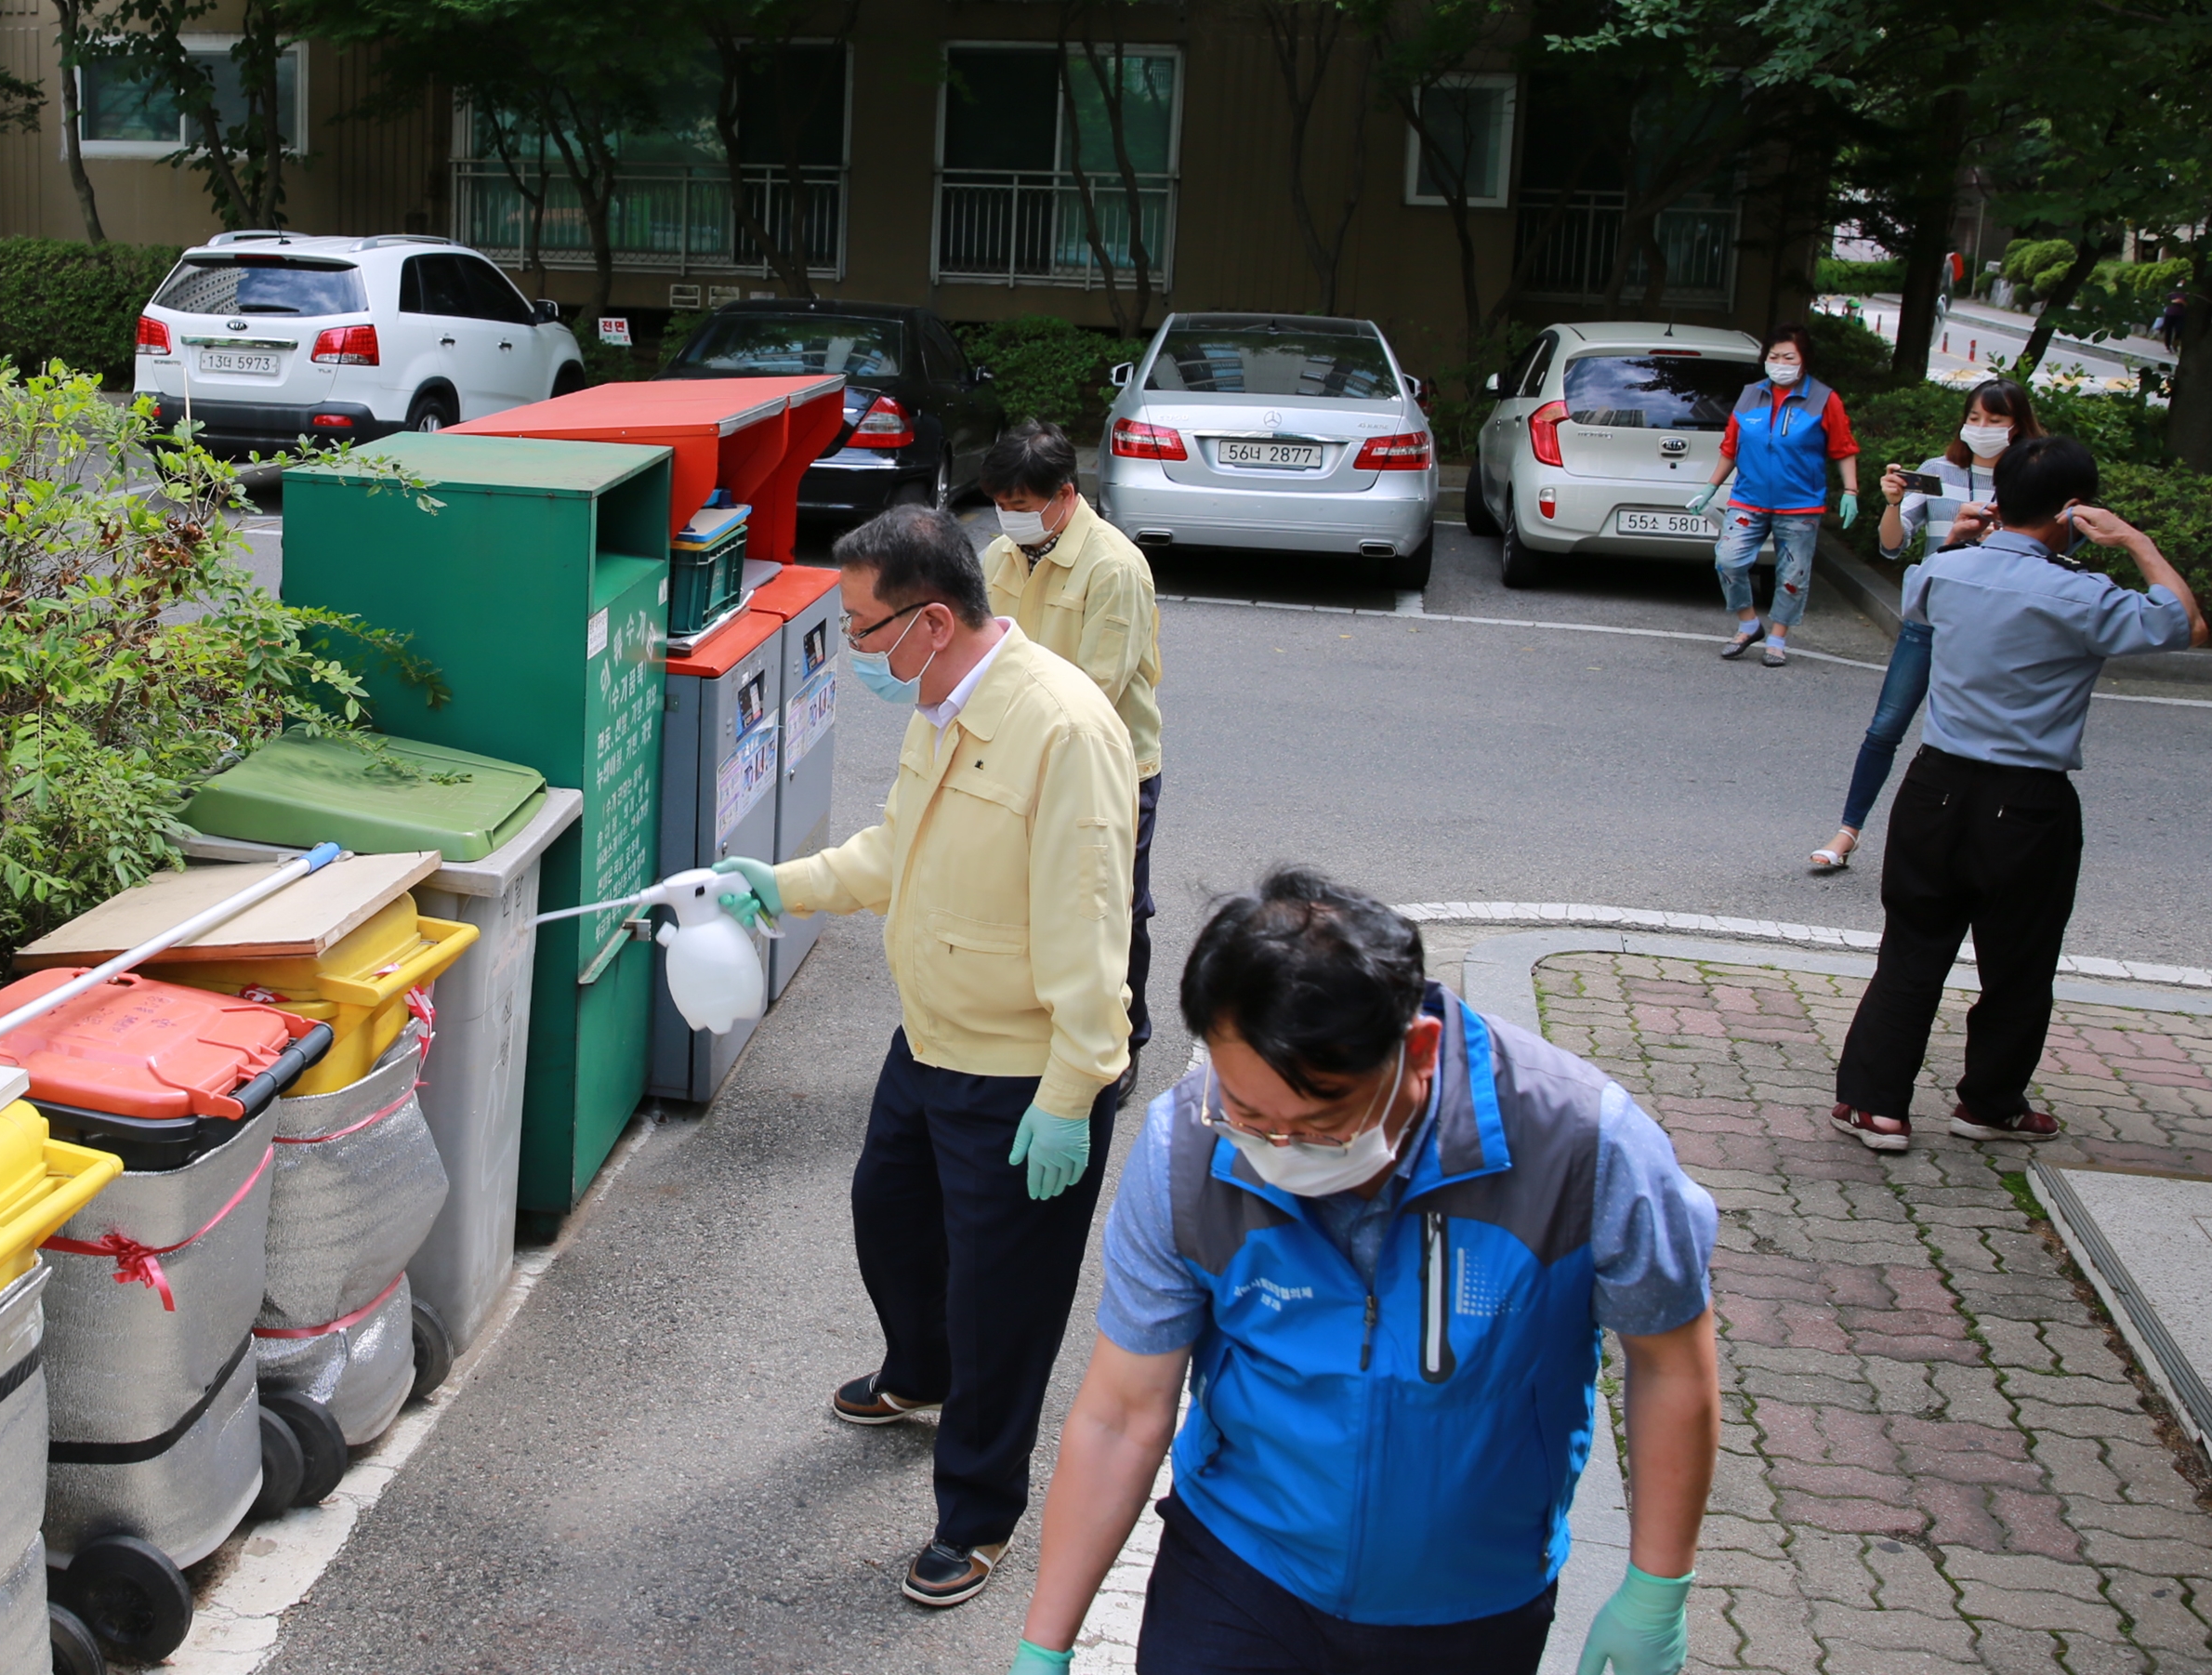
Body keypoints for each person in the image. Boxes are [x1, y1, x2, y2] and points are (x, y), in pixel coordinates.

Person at [1006, 868, 1721, 1675]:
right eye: (1248, 1114)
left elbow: (1669, 1364)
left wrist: (1656, 1589)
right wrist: (1044, 1644)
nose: (1277, 1153)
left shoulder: (1582, 1147)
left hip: (1472, 1603)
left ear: (1415, 1048)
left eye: (1319, 1121)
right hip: (1242, 1572)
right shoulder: (1187, 1149)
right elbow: (1121, 1413)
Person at [709, 505, 1139, 1610]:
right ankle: (920, 1370)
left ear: (930, 620)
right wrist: (786, 885)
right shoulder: (944, 702)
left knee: (1007, 1302)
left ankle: (979, 1514)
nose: (851, 649)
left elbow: (1094, 937)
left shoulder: (1062, 730)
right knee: (888, 1216)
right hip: (932, 1038)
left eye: (859, 628)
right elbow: (898, 846)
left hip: (1023, 1073)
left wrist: (1072, 1093)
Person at [1830, 437, 2207, 1153]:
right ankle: (1987, 1102)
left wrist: (1970, 539)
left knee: (1911, 947)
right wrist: (2135, 540)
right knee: (2018, 962)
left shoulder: (1944, 573)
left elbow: (1917, 597)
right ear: (2074, 510)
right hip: (2027, 803)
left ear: (1997, 498)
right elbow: (2185, 623)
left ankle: (1873, 1105)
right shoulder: (2084, 595)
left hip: (1933, 785)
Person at [981, 420, 1165, 1091]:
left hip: (1106, 765)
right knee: (1030, 898)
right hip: (1015, 754)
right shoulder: (1001, 553)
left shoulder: (1113, 567)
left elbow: (1099, 687)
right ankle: (1043, 1028)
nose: (1009, 519)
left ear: (1063, 496)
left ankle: (1121, 1043)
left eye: (1022, 507)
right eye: (1001, 505)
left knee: (1112, 908)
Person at [1808, 379, 2043, 870]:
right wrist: (1893, 502)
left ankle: (1976, 841)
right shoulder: (1937, 474)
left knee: (1979, 738)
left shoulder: (2031, 480)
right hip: (1931, 620)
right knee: (1886, 727)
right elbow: (1892, 546)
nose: (1982, 429)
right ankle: (1847, 830)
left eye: (1995, 421)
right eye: (1975, 418)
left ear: (2017, 426)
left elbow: (2054, 549)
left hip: (1995, 632)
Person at [1687, 324, 1863, 667]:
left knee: (1792, 574)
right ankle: (1749, 624)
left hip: (1800, 503)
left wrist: (1851, 490)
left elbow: (1843, 448)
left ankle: (1778, 638)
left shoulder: (1825, 399)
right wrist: (1709, 488)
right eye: (1773, 356)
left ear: (1804, 360)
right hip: (1747, 498)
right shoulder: (1751, 394)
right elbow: (1731, 446)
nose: (1780, 362)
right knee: (1728, 559)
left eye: (1788, 357)